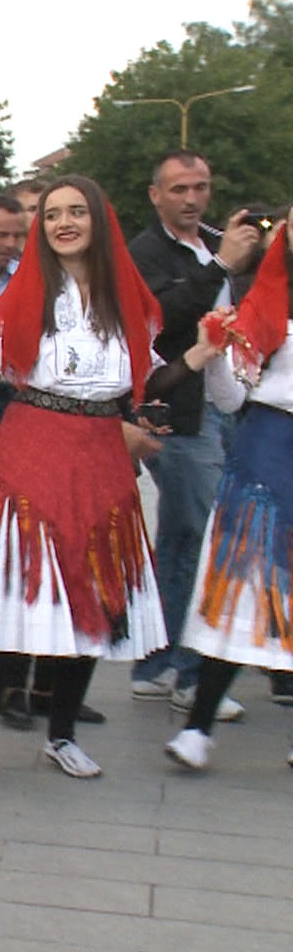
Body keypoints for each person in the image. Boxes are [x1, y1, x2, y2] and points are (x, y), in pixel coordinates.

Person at [0, 175, 170, 781]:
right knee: (13, 590)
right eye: (54, 214)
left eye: (77, 212)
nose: (64, 222)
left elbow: (150, 380)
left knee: (92, 593)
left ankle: (60, 734)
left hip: (101, 454)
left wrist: (200, 357)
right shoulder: (26, 294)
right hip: (29, 447)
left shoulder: (128, 301)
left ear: (98, 221)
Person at [127, 150, 263, 718]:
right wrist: (220, 269)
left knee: (185, 539)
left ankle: (156, 662)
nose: (191, 198)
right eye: (179, 188)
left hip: (229, 405)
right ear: (156, 195)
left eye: (201, 186)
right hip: (179, 410)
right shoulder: (147, 251)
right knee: (204, 536)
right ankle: (188, 674)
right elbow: (159, 318)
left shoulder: (217, 241)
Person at [163, 224, 291, 769]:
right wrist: (214, 353)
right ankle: (198, 726)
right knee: (240, 586)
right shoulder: (264, 305)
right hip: (266, 450)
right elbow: (230, 396)